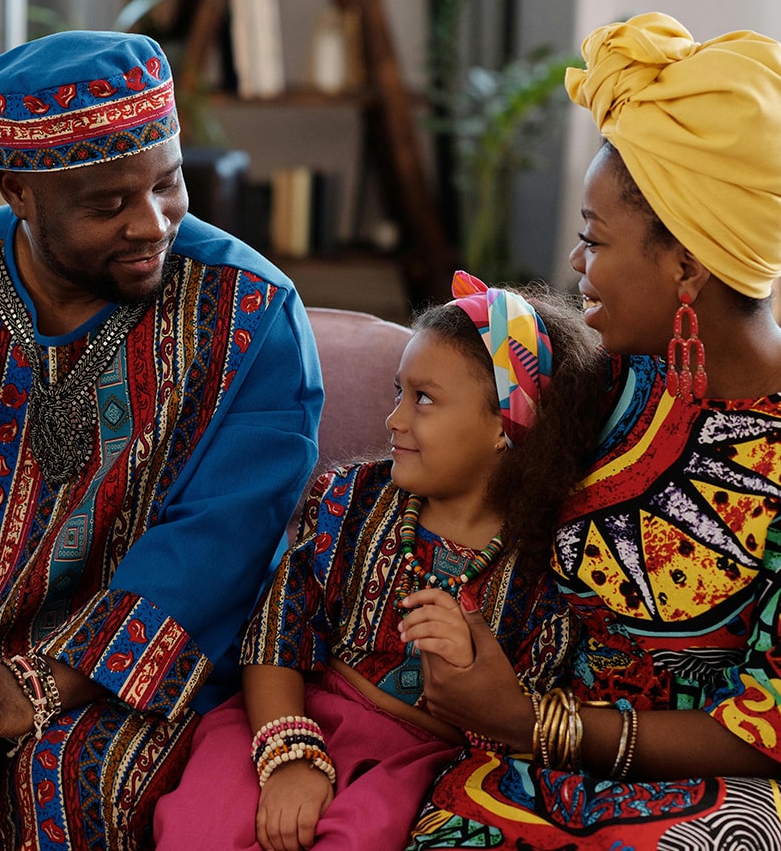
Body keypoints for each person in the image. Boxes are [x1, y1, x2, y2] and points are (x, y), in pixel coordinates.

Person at [0, 30, 323, 849]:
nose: (151, 223)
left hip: (123, 678)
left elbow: (224, 538)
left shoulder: (250, 314)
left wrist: (54, 681)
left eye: (168, 183)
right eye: (107, 204)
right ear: (20, 193)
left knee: (76, 784)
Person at [404, 11, 781, 850]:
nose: (576, 266)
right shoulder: (592, 372)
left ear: (687, 265)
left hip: (712, 797)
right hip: (523, 766)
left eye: (592, 238)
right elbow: (442, 404)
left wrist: (533, 721)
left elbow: (767, 729)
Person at [152, 271, 608, 850]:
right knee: (203, 826)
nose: (394, 419)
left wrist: (470, 667)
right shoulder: (351, 504)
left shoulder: (547, 564)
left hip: (420, 764)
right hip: (295, 717)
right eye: (398, 392)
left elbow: (529, 718)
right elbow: (274, 638)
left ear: (504, 423)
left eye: (423, 399)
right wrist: (289, 754)